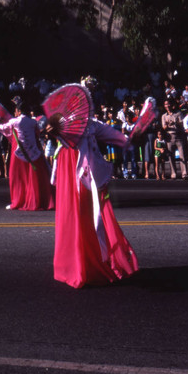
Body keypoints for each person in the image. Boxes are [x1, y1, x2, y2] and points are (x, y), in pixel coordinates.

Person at [47, 94, 138, 289]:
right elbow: (48, 129)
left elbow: (114, 135)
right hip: (69, 170)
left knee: (85, 213)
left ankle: (87, 261)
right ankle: (75, 263)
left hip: (83, 171)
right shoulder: (63, 122)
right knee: (74, 213)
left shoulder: (91, 123)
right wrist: (49, 130)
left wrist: (127, 139)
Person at [0, 101, 54, 211]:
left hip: (19, 153)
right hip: (34, 152)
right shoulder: (33, 122)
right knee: (35, 178)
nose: (14, 112)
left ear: (19, 111)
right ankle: (38, 200)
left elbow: (4, 128)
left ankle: (18, 200)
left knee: (18, 178)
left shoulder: (15, 121)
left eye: (15, 110)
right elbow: (36, 134)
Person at [161, 100, 188, 179]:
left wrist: (176, 123)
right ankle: (173, 173)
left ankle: (184, 173)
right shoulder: (164, 116)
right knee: (170, 156)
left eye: (168, 104)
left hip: (179, 136)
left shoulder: (178, 113)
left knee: (182, 155)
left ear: (171, 104)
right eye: (165, 104)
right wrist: (168, 125)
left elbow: (182, 124)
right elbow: (164, 127)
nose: (167, 106)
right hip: (169, 137)